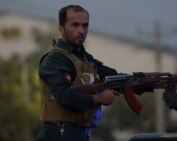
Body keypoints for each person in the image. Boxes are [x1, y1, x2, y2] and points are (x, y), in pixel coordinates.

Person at [35, 5, 118, 141]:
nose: (81, 31)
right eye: (75, 25)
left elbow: (114, 75)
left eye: (85, 26)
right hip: (58, 133)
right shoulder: (54, 59)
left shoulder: (85, 59)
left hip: (78, 134)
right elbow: (64, 95)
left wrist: (146, 82)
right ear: (61, 29)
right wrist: (99, 99)